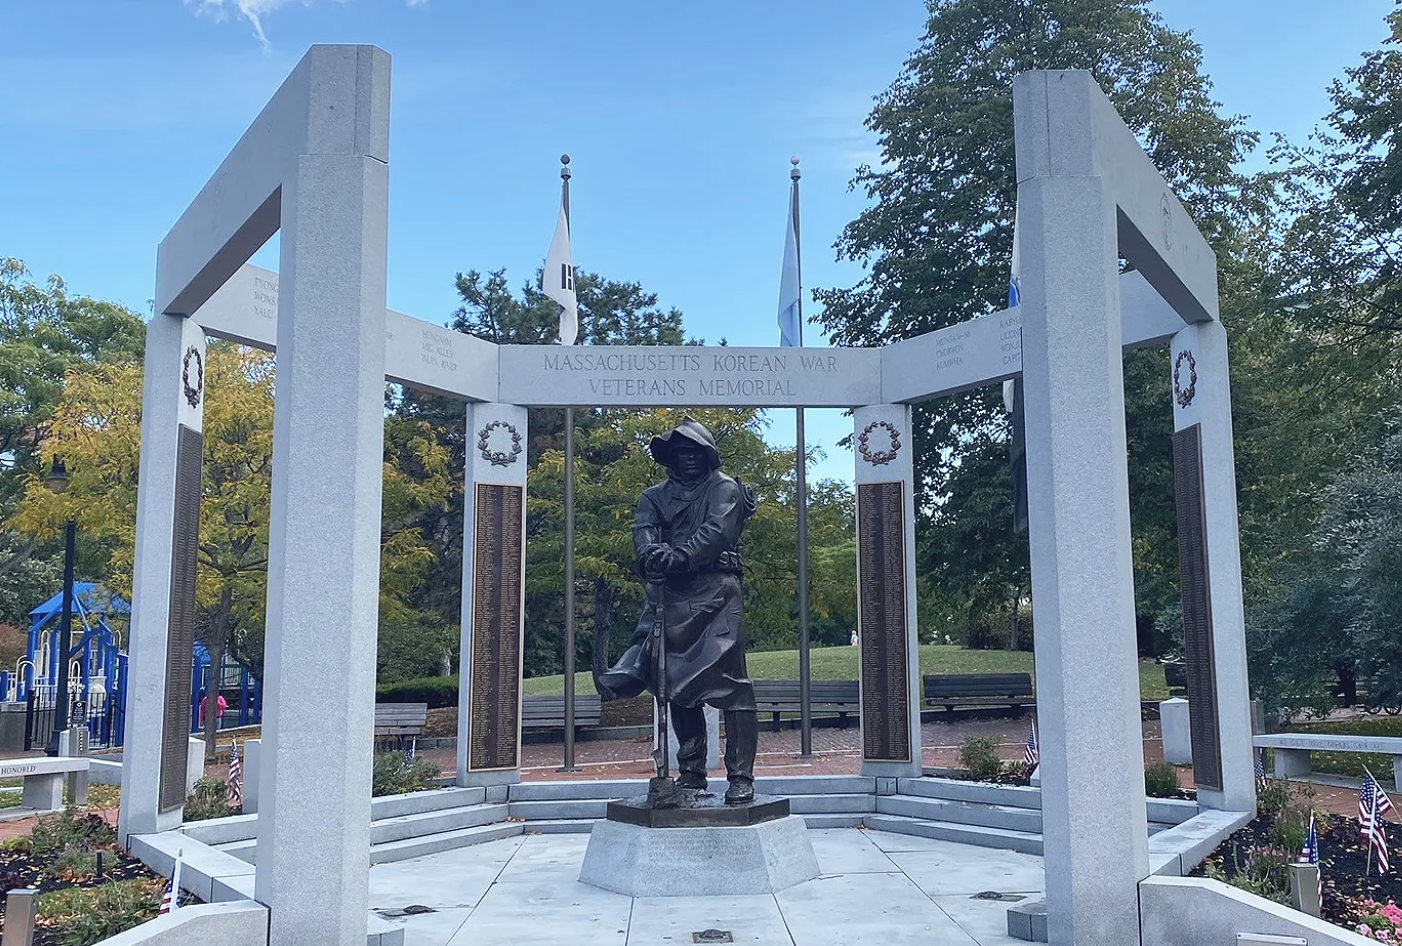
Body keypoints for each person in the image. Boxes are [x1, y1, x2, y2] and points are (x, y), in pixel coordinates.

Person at [594, 417, 760, 805]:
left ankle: (741, 775)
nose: (687, 460)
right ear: (670, 458)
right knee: (676, 687)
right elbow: (644, 529)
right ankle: (691, 771)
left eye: (694, 452)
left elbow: (716, 531)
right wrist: (651, 553)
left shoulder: (724, 488)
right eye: (680, 453)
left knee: (732, 687)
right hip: (672, 597)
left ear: (707, 455)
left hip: (717, 594)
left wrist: (680, 555)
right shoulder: (655, 495)